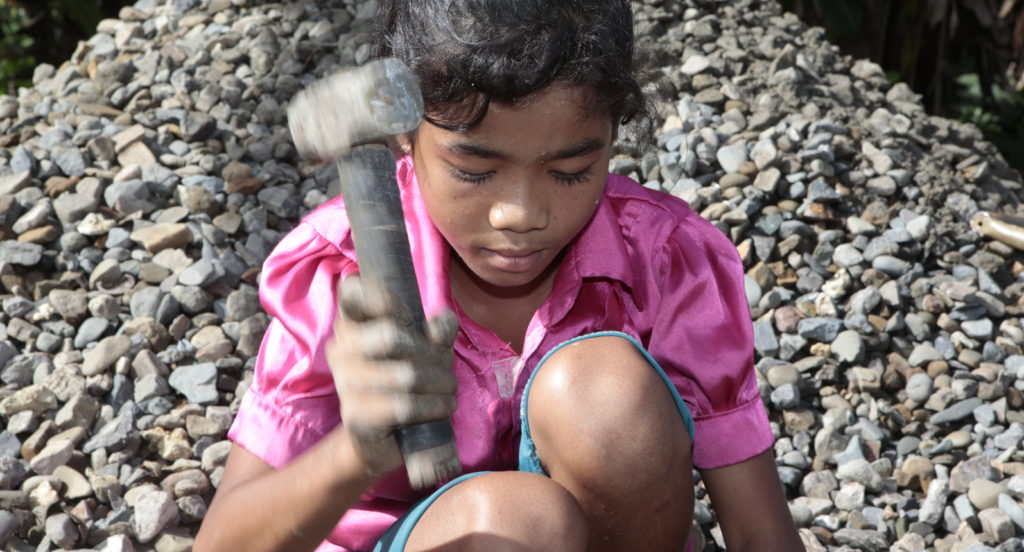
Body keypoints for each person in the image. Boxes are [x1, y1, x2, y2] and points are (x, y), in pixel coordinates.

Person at [195, 1, 802, 550]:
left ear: (613, 137)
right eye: (474, 170)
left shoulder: (663, 260)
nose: (521, 215)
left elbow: (758, 532)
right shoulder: (339, 276)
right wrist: (354, 451)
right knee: (510, 524)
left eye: (570, 171)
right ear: (406, 132)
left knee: (606, 403)